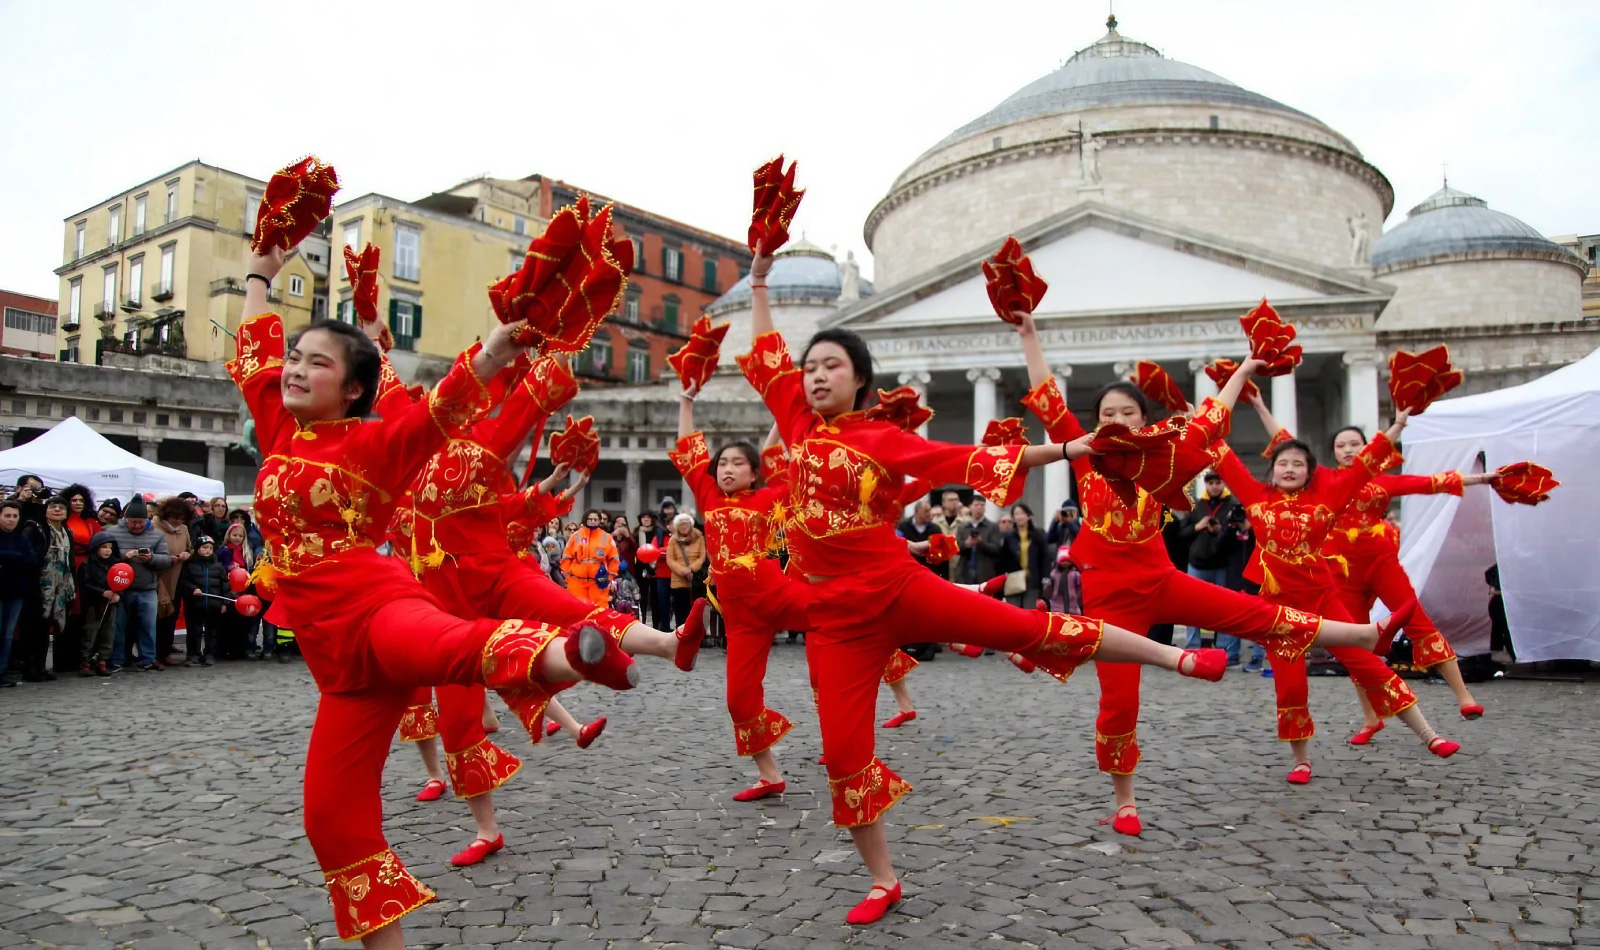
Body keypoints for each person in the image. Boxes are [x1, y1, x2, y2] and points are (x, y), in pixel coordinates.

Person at [741, 239, 1230, 924]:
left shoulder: (882, 438)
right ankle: (883, 880)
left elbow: (969, 458)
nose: (816, 375)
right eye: (811, 366)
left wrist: (1068, 447)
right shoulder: (794, 420)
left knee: (1030, 628)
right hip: (833, 617)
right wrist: (760, 282)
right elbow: (766, 357)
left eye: (833, 366)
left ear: (860, 382)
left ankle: (1170, 654)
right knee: (844, 753)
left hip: (897, 586)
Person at [232, 240, 640, 948]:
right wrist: (262, 272)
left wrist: (493, 352)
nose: (295, 368)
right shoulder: (275, 425)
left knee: (460, 646)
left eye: (317, 362)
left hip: (373, 609)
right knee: (331, 822)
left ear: (353, 388)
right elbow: (253, 345)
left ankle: (579, 653)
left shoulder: (372, 445)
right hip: (333, 663)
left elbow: (438, 414)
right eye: (295, 357)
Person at [1010, 309, 1408, 834]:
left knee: (1255, 615)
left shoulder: (1166, 458)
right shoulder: (1083, 455)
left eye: (1128, 411)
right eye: (1108, 411)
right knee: (1118, 701)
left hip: (1163, 579)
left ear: (1143, 419)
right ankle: (1125, 800)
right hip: (1110, 601)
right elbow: (1048, 398)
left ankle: (1364, 633)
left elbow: (1211, 417)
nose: (1117, 418)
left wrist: (1245, 367)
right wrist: (1029, 333)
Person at [1211, 409, 1460, 785]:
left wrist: (1397, 425)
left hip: (1324, 600)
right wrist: (1198, 418)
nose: (1290, 469)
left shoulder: (1331, 492)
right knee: (1291, 685)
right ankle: (1301, 760)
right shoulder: (1254, 494)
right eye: (1283, 463)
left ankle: (1431, 736)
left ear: (1311, 471)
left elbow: (1366, 465)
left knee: (1368, 665)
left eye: (1299, 463)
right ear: (1272, 468)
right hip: (1278, 609)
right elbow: (1221, 455)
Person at [1253, 408, 1502, 732]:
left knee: (1416, 618)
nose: (1347, 449)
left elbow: (1430, 483)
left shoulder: (1382, 481)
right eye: (1341, 445)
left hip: (1381, 562)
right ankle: (1371, 718)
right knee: (1354, 641)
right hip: (1341, 572)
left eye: (1354, 443)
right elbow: (1287, 443)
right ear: (1332, 453)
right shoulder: (1324, 479)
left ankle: (1464, 695)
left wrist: (1482, 478)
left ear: (1366, 448)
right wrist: (1259, 405)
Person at [673, 384, 811, 800]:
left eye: (738, 463)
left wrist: (784, 422)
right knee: (738, 700)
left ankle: (955, 622)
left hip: (779, 595)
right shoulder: (709, 496)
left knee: (856, 612)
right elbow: (687, 448)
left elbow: (792, 465)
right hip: (741, 618)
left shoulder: (769, 498)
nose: (727, 468)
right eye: (723, 463)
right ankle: (769, 775)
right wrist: (686, 399)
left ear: (754, 473)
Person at [100, 496, 172, 672]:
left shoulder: (156, 534)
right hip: (120, 589)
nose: (137, 526)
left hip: (147, 587)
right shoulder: (112, 533)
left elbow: (166, 560)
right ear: (125, 519)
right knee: (118, 627)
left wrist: (151, 558)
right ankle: (116, 659)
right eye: (133, 522)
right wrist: (125, 557)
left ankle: (147, 658)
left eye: (140, 522)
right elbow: (105, 559)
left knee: (148, 626)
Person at [1178, 472, 1243, 662]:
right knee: (1192, 608)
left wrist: (1221, 531)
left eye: (1218, 483)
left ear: (1224, 483)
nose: (1214, 486)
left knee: (1224, 609)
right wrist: (1197, 527)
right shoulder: (1196, 506)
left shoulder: (1233, 506)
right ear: (1205, 485)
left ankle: (1226, 652)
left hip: (1222, 564)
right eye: (1211, 483)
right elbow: (1182, 534)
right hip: (1197, 563)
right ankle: (1192, 648)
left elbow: (1238, 536)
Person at [153, 497, 195, 665]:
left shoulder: (183, 529)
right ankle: (153, 654)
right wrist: (168, 559)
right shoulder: (154, 527)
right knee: (158, 616)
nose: (178, 521)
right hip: (158, 577)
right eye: (175, 518)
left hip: (177, 577)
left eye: (181, 518)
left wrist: (187, 554)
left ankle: (164, 651)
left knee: (172, 615)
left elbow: (189, 548)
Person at [0, 500, 36, 687]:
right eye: (7, 516)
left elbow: (30, 561)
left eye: (15, 516)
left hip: (15, 592)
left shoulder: (21, 538)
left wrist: (8, 560)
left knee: (7, 634)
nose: (11, 520)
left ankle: (2, 670)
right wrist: (16, 559)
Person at [77, 531, 121, 676]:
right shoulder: (87, 565)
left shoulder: (115, 565)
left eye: (110, 547)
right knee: (91, 632)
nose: (108, 550)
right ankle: (85, 661)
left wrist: (118, 594)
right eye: (104, 547)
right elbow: (85, 584)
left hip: (111, 604)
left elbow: (122, 581)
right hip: (93, 604)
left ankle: (102, 660)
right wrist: (102, 592)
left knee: (108, 633)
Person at [178, 535, 226, 666]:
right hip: (194, 604)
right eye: (204, 548)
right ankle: (193, 654)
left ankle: (209, 653)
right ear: (198, 549)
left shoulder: (218, 566)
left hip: (213, 604)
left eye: (210, 548)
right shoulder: (189, 565)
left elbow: (224, 585)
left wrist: (224, 603)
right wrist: (192, 589)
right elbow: (183, 581)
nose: (208, 550)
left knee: (212, 631)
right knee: (194, 631)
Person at [562, 509, 620, 609]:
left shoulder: (607, 537)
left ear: (599, 520)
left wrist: (609, 578)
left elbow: (614, 560)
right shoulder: (575, 536)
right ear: (585, 520)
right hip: (577, 581)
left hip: (598, 581)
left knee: (599, 610)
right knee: (576, 609)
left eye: (595, 519)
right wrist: (568, 576)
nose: (592, 521)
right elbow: (566, 558)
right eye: (590, 519)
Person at [1001, 503, 1052, 607]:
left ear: (1029, 516)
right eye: (1016, 514)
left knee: (1030, 611)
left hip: (1033, 579)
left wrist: (1046, 577)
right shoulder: (1009, 537)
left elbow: (1045, 557)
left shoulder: (1038, 535)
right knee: (1014, 612)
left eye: (1022, 513)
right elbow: (1003, 559)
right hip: (1014, 578)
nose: (1019, 517)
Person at [664, 513, 707, 626]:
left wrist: (691, 569)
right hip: (678, 581)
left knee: (695, 611)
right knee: (680, 611)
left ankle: (696, 637)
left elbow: (702, 556)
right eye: (681, 524)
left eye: (686, 524)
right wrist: (682, 571)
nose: (684, 526)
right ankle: (681, 637)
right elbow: (670, 559)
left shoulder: (699, 538)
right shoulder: (673, 540)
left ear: (691, 525)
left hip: (695, 580)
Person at [953, 496, 1001, 584]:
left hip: (985, 571)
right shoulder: (963, 527)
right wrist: (966, 544)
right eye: (976, 505)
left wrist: (981, 543)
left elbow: (997, 548)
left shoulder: (992, 527)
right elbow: (955, 548)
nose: (979, 508)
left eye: (982, 505)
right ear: (970, 507)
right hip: (965, 570)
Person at [896, 500, 943, 574]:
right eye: (926, 511)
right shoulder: (904, 527)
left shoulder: (935, 529)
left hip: (930, 571)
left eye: (929, 510)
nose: (929, 514)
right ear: (917, 511)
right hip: (909, 570)